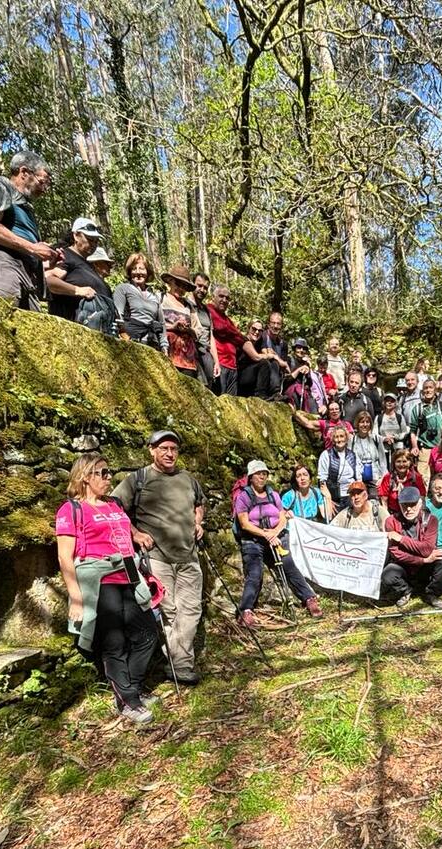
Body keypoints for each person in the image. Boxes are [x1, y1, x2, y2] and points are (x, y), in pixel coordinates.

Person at [56, 453, 159, 724]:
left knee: (148, 632)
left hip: (129, 574)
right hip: (100, 581)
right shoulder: (71, 510)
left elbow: (124, 526)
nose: (108, 477)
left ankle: (132, 687)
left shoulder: (113, 504)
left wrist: (137, 535)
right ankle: (128, 701)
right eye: (102, 473)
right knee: (114, 643)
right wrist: (76, 598)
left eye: (108, 472)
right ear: (85, 477)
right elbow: (64, 557)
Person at [112, 430, 206, 686]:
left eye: (174, 449)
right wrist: (135, 533)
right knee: (168, 611)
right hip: (156, 558)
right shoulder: (138, 479)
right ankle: (181, 665)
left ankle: (178, 664)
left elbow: (199, 504)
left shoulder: (188, 479)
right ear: (152, 450)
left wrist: (198, 522)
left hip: (189, 556)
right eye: (164, 448)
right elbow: (114, 508)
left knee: (191, 610)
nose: (169, 453)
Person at [234, 460, 323, 627]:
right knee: (254, 572)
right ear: (251, 477)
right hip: (253, 540)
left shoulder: (273, 494)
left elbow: (282, 517)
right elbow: (245, 524)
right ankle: (245, 610)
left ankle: (309, 598)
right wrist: (266, 535)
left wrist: (274, 533)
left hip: (277, 536)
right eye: (258, 474)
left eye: (264, 473)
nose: (262, 477)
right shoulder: (243, 497)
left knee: (289, 564)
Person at [0, 150, 56, 310]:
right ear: (24, 172)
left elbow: (23, 240)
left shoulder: (25, 207)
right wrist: (33, 248)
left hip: (27, 275)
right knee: (3, 315)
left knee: (31, 324)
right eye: (42, 181)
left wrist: (45, 254)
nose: (45, 189)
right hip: (2, 263)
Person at [381, 485, 442, 610]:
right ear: (399, 505)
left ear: (420, 503)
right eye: (405, 505)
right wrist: (423, 560)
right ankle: (406, 591)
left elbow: (427, 549)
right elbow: (396, 553)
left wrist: (401, 539)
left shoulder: (431, 520)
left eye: (413, 504)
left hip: (425, 567)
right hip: (403, 565)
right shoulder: (390, 521)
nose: (409, 509)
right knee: (387, 575)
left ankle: (430, 593)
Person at [46, 219, 114, 327]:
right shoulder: (65, 256)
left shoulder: (88, 265)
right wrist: (78, 290)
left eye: (96, 241)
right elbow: (49, 280)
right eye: (90, 239)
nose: (94, 244)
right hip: (72, 326)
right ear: (76, 236)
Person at [209, 285, 267, 396]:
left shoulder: (228, 320)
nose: (224, 300)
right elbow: (222, 329)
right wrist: (241, 338)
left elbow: (236, 336)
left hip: (232, 367)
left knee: (231, 402)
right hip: (220, 364)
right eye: (221, 296)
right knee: (219, 398)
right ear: (213, 297)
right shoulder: (209, 311)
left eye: (227, 298)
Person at [114, 252, 167, 352]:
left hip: (152, 342)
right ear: (129, 272)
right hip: (132, 340)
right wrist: (125, 337)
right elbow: (118, 315)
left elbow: (162, 323)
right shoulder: (123, 289)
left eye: (142, 269)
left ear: (148, 272)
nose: (138, 272)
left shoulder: (154, 296)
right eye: (134, 269)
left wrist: (164, 346)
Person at [159, 264, 204, 380]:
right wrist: (172, 327)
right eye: (178, 284)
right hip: (165, 351)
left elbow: (198, 331)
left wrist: (188, 330)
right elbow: (153, 323)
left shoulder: (188, 305)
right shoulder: (160, 298)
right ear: (170, 281)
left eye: (184, 286)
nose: (181, 289)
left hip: (187, 358)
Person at [317, 424, 359, 514]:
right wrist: (328, 499)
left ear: (346, 438)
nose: (339, 440)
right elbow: (322, 481)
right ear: (332, 439)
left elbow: (358, 478)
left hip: (351, 497)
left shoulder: (353, 455)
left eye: (341, 436)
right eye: (336, 437)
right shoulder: (326, 455)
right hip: (334, 499)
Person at [189, 272, 220, 390]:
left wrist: (216, 362)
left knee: (208, 388)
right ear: (192, 284)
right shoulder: (185, 304)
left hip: (206, 354)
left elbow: (210, 337)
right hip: (193, 351)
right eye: (199, 286)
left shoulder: (206, 310)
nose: (202, 290)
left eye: (205, 288)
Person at [408, 379, 442, 459]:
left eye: (431, 387)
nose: (428, 390)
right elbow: (413, 431)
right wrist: (414, 447)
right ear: (422, 391)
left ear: (435, 390)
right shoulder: (417, 409)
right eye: (426, 388)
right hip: (425, 449)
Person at [254, 312, 291, 400]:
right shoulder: (262, 336)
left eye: (278, 324)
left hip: (276, 377)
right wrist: (276, 357)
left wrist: (276, 357)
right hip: (259, 375)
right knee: (273, 362)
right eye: (273, 323)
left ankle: (277, 393)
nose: (275, 326)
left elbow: (284, 365)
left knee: (276, 364)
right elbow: (264, 353)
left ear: (282, 326)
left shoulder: (283, 344)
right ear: (268, 324)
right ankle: (273, 392)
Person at [348, 410, 386, 491]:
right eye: (362, 422)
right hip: (358, 479)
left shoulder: (376, 439)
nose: (365, 425)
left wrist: (382, 478)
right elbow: (349, 461)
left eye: (367, 422)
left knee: (375, 498)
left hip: (375, 478)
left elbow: (382, 461)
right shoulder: (352, 440)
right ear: (357, 424)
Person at [377, 448, 425, 514]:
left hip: (412, 512)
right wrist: (387, 516)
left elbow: (422, 497)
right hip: (393, 513)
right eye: (398, 461)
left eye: (404, 461)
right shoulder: (388, 478)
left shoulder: (416, 477)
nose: (401, 464)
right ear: (394, 463)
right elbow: (384, 500)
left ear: (410, 462)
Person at [376, 393, 410, 474]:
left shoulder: (400, 417)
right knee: (385, 472)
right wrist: (384, 439)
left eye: (392, 401)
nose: (389, 403)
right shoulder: (379, 418)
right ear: (384, 403)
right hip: (383, 450)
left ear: (395, 404)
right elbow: (374, 434)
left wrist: (395, 437)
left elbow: (405, 432)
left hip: (398, 449)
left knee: (398, 471)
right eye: (387, 401)